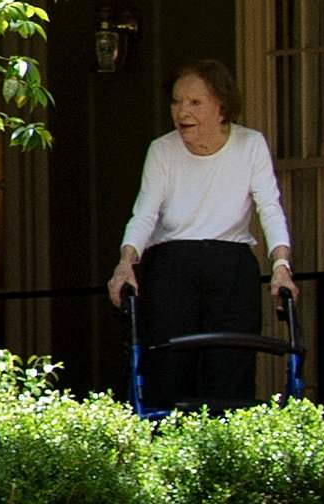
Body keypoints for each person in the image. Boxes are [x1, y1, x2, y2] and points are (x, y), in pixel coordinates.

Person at [108, 57, 294, 409]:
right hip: (172, 267)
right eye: (177, 101)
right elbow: (144, 213)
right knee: (168, 369)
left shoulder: (250, 144)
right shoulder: (162, 150)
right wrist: (125, 262)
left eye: (195, 102)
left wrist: (281, 264)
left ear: (221, 106)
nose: (182, 112)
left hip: (231, 265)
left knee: (230, 369)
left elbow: (269, 207)